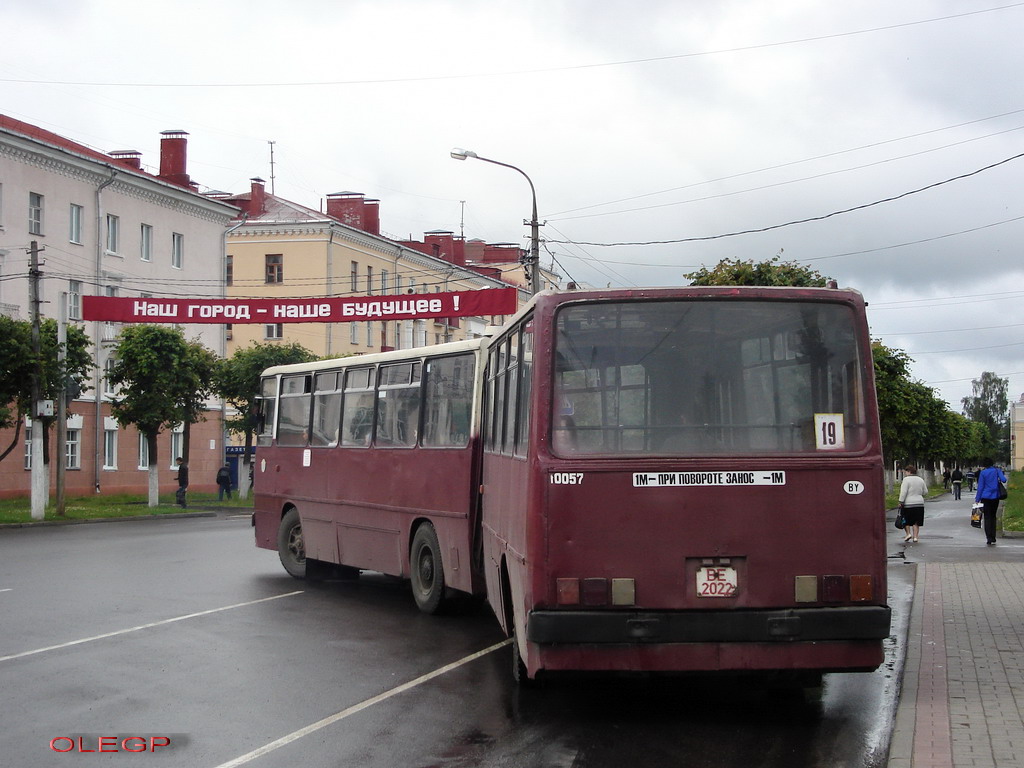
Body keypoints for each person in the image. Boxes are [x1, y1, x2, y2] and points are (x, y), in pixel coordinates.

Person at [974, 458, 1008, 546]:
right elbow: (1004, 480)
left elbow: (980, 486)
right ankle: (993, 537)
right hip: (995, 497)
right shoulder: (997, 470)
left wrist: (977, 499)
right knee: (993, 516)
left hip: (985, 497)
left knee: (987, 517)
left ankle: (988, 538)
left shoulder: (983, 473)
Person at [898, 464, 928, 543]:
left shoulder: (906, 480)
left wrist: (901, 501)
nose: (905, 473)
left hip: (908, 503)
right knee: (916, 521)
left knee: (906, 520)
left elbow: (903, 492)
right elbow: (925, 492)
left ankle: (908, 534)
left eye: (906, 472)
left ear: (909, 471)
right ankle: (915, 537)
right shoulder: (920, 479)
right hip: (919, 503)